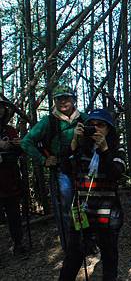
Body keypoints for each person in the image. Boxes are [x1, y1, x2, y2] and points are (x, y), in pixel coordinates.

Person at [59, 109, 126, 280]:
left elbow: (115, 174)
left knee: (109, 256)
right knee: (73, 256)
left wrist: (104, 150)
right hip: (82, 212)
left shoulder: (117, 150)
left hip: (108, 213)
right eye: (92, 125)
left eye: (101, 125)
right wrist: (74, 142)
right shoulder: (81, 149)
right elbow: (65, 168)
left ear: (109, 129)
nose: (96, 128)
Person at [21, 84, 88, 250]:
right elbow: (26, 142)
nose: (63, 101)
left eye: (66, 97)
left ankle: (86, 241)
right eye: (59, 98)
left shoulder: (84, 119)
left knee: (83, 205)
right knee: (64, 209)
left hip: (82, 168)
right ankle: (70, 246)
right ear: (54, 102)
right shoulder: (48, 121)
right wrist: (43, 160)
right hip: (61, 171)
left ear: (73, 99)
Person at [0, 98, 26, 257]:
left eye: (2, 108)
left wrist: (18, 145)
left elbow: (19, 153)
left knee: (14, 215)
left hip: (10, 179)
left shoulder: (9, 130)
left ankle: (18, 244)